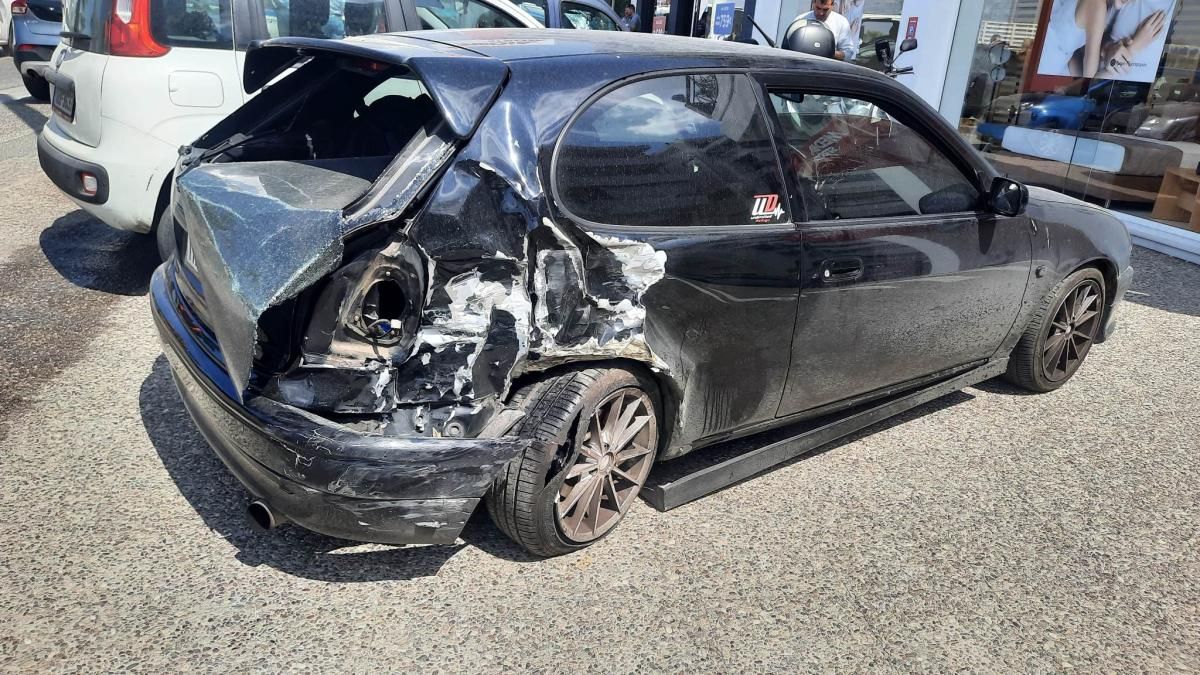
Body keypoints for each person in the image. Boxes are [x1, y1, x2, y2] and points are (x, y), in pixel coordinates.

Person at [1041, 0, 1167, 79]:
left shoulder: (1102, 8)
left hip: (1055, 61)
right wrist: (1134, 48)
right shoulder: (1097, 6)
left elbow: (1075, 54)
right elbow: (1089, 79)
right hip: (1047, 62)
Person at [791, 0, 856, 61]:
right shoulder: (800, 20)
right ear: (813, 2)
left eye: (825, 9)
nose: (821, 13)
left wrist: (829, 53)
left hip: (827, 67)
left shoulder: (841, 22)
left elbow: (848, 53)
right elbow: (789, 46)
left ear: (832, 5)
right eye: (818, 8)